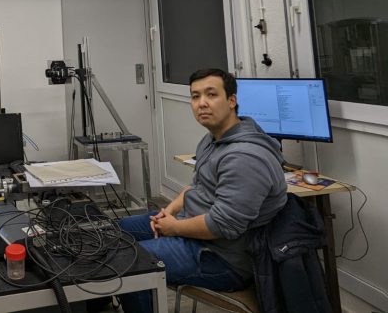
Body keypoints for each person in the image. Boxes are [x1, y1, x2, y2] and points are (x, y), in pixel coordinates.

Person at [118, 68, 287, 313]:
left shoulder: (245, 157)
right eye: (195, 96)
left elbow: (222, 225)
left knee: (131, 262)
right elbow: (196, 188)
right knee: (119, 231)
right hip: (195, 231)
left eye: (211, 94)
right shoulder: (212, 139)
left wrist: (174, 228)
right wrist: (170, 211)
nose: (202, 103)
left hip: (223, 258)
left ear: (231, 100)